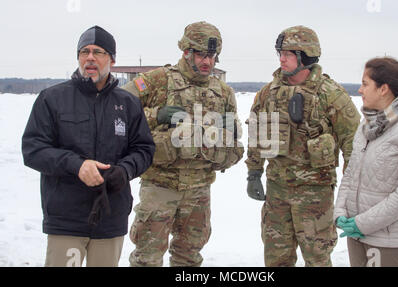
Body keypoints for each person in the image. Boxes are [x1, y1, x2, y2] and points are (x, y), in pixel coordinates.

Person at [22, 25, 155, 267]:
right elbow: (33, 149)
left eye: (98, 52)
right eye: (84, 52)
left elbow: (144, 150)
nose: (90, 57)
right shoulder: (52, 98)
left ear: (112, 60)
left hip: (111, 215)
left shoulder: (128, 103)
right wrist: (76, 165)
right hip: (66, 217)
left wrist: (124, 170)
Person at [122, 21, 244, 267]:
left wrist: (226, 135)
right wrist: (157, 115)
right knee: (147, 258)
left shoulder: (223, 92)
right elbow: (118, 111)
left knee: (189, 259)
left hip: (199, 192)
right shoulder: (157, 80)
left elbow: (235, 145)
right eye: (201, 54)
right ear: (186, 51)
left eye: (212, 56)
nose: (207, 62)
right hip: (160, 186)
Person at [245, 25, 360, 267]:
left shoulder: (331, 94)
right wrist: (253, 173)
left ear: (305, 56)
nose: (281, 60)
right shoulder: (268, 93)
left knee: (317, 258)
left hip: (315, 194)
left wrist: (352, 191)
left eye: (287, 54)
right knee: (276, 259)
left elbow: (353, 144)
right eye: (280, 54)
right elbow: (256, 133)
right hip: (276, 190)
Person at [334, 57, 398, 267]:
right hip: (358, 236)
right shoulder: (366, 126)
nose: (360, 90)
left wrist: (362, 223)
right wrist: (341, 212)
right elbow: (351, 173)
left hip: (391, 241)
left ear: (383, 89)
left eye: (365, 84)